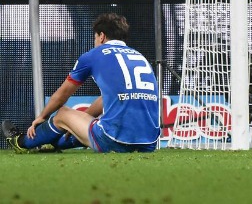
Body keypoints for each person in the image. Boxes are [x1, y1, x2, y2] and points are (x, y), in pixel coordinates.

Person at [2, 13, 160, 153]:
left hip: (114, 141)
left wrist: (42, 117)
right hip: (149, 143)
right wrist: (80, 121)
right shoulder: (140, 56)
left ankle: (21, 142)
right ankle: (52, 143)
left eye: (95, 38)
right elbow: (111, 98)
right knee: (95, 120)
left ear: (102, 36)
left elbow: (62, 95)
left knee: (63, 114)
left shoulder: (93, 55)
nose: (95, 42)